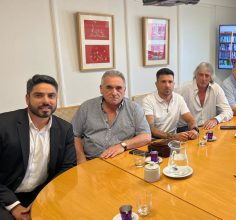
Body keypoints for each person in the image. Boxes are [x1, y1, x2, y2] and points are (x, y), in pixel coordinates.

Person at [0, 75, 76, 220]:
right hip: (5, 193)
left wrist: (45, 197)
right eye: (39, 95)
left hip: (41, 192)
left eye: (51, 96)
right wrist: (14, 205)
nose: (46, 101)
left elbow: (67, 168)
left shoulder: (65, 129)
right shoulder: (3, 125)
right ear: (27, 98)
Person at [72, 70, 151, 164]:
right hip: (92, 162)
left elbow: (146, 136)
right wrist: (81, 160)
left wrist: (122, 145)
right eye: (109, 87)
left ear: (124, 90)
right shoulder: (86, 107)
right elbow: (74, 135)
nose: (114, 93)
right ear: (101, 89)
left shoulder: (134, 109)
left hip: (123, 161)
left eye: (119, 88)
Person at [142, 68, 199, 141]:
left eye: (170, 82)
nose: (167, 85)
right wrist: (173, 136)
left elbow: (190, 120)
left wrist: (194, 130)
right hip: (155, 141)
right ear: (156, 84)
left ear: (173, 84)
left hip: (173, 141)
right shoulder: (148, 100)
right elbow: (151, 129)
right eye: (163, 82)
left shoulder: (178, 98)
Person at [178, 62, 233, 129]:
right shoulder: (184, 89)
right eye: (201, 75)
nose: (203, 79)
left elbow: (228, 111)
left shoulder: (216, 88)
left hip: (207, 129)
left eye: (207, 76)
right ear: (196, 75)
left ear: (211, 77)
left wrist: (216, 120)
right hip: (186, 129)